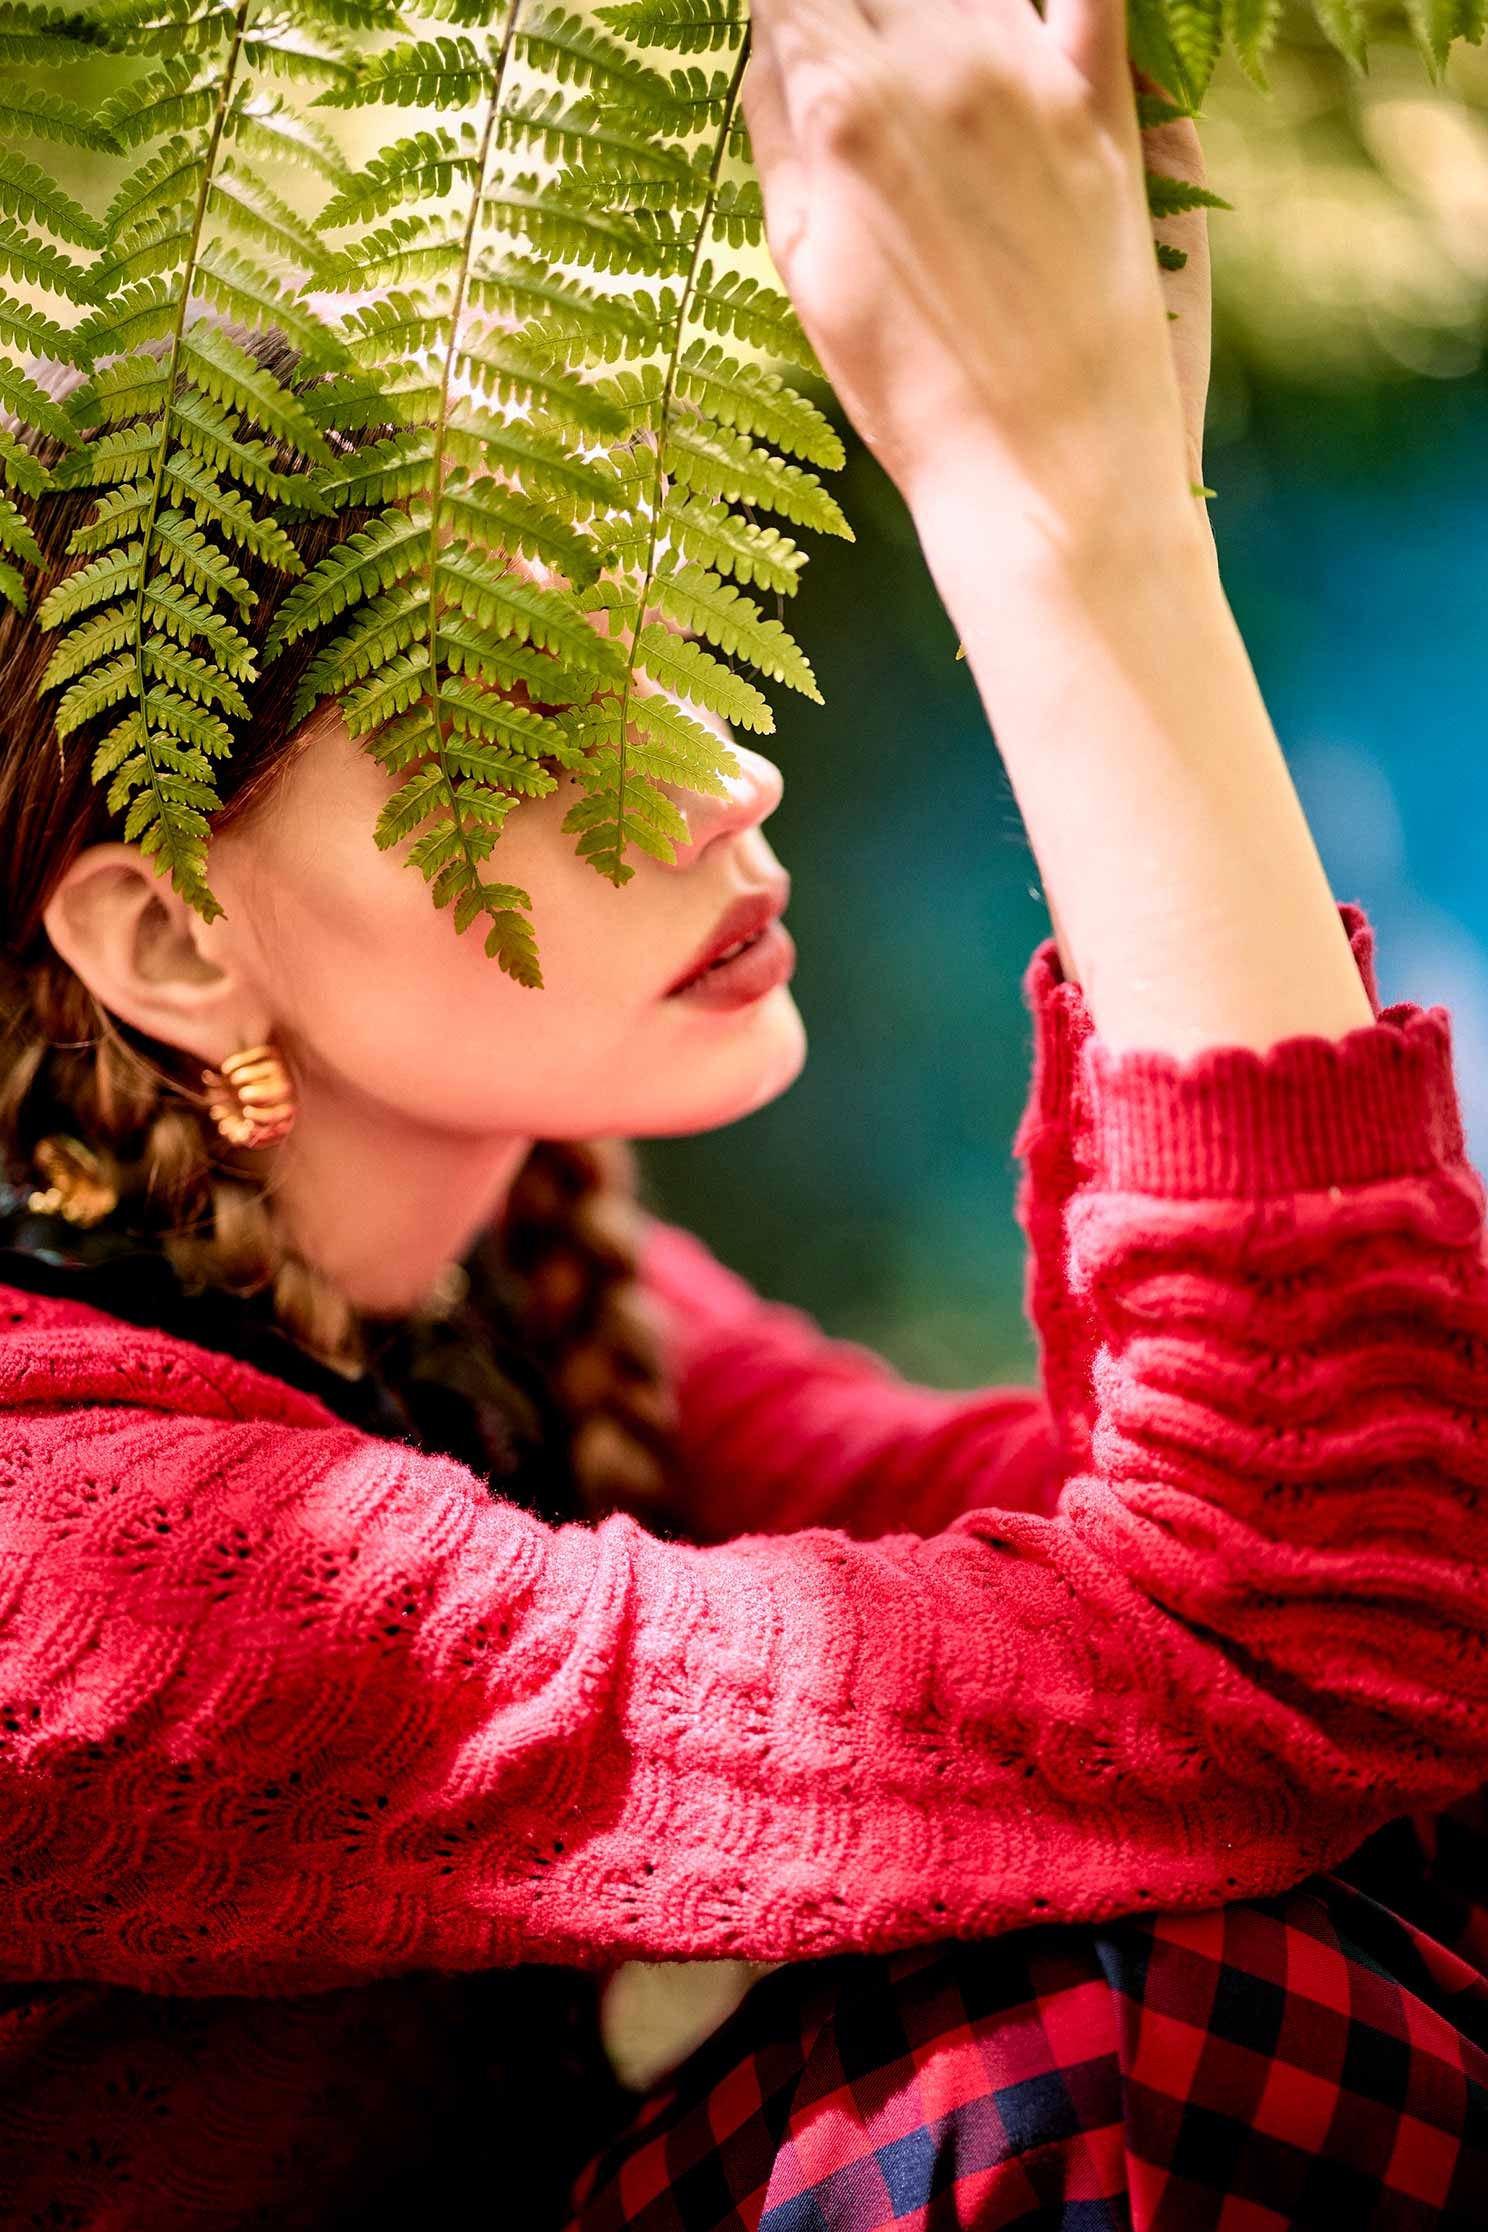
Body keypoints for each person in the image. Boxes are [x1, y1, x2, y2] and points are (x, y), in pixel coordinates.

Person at [1, 0, 1486, 2225]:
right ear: (174, 941)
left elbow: (1350, 1593)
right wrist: (1072, 544)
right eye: (525, 731)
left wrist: (1114, 456)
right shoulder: (81, 1562)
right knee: (1116, 2036)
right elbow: (1283, 1640)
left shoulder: (519, 1282)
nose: (720, 776)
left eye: (674, 633)